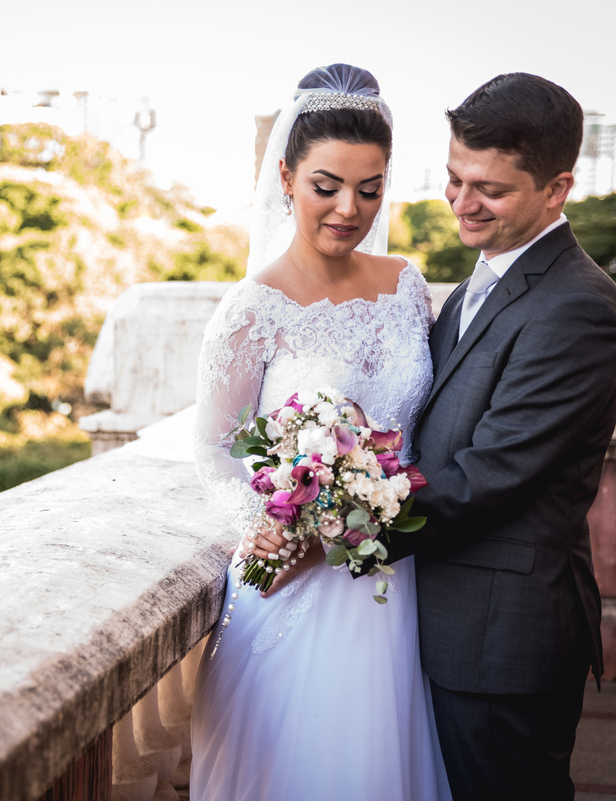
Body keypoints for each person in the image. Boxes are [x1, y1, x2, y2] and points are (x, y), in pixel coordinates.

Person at [256, 73, 616, 798]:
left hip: (501, 640)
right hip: (436, 623)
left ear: (557, 189)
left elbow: (489, 475)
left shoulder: (576, 307)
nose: (461, 202)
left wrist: (331, 522)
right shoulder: (481, 279)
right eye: (455, 178)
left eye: (489, 188)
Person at [190, 64, 449, 800]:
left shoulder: (406, 285)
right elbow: (212, 447)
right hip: (294, 579)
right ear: (286, 177)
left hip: (391, 579)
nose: (348, 209)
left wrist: (375, 499)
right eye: (326, 186)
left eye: (370, 189)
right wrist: (271, 523)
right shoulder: (253, 306)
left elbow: (419, 426)